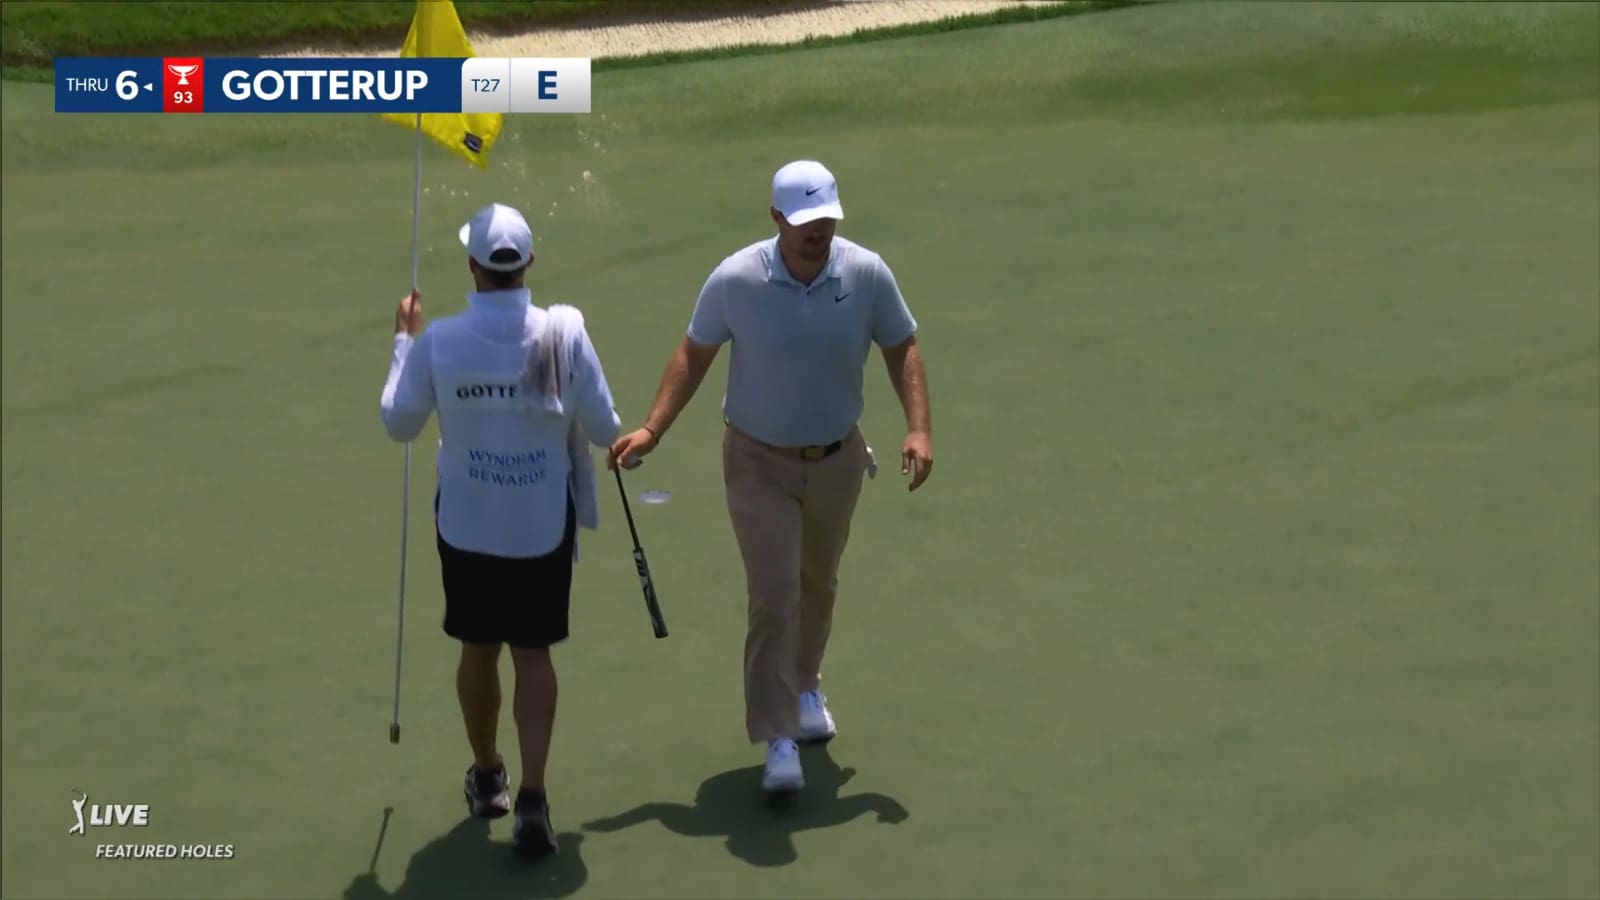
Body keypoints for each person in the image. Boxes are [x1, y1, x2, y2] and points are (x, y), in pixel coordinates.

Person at [607, 159, 934, 794]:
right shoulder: (737, 279)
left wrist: (918, 426)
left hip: (839, 457)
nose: (820, 232)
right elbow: (694, 352)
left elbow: (902, 344)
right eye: (807, 222)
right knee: (774, 593)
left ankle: (807, 686)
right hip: (758, 461)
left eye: (828, 219)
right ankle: (778, 735)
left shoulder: (865, 272)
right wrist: (653, 428)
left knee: (818, 582)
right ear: (778, 219)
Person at [380, 202, 622, 859]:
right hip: (540, 525)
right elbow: (604, 427)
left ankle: (489, 776)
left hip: (467, 525)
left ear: (473, 266)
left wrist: (404, 341)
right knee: (534, 653)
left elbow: (398, 424)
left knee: (478, 647)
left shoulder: (441, 342)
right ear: (529, 264)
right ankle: (535, 797)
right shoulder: (565, 335)